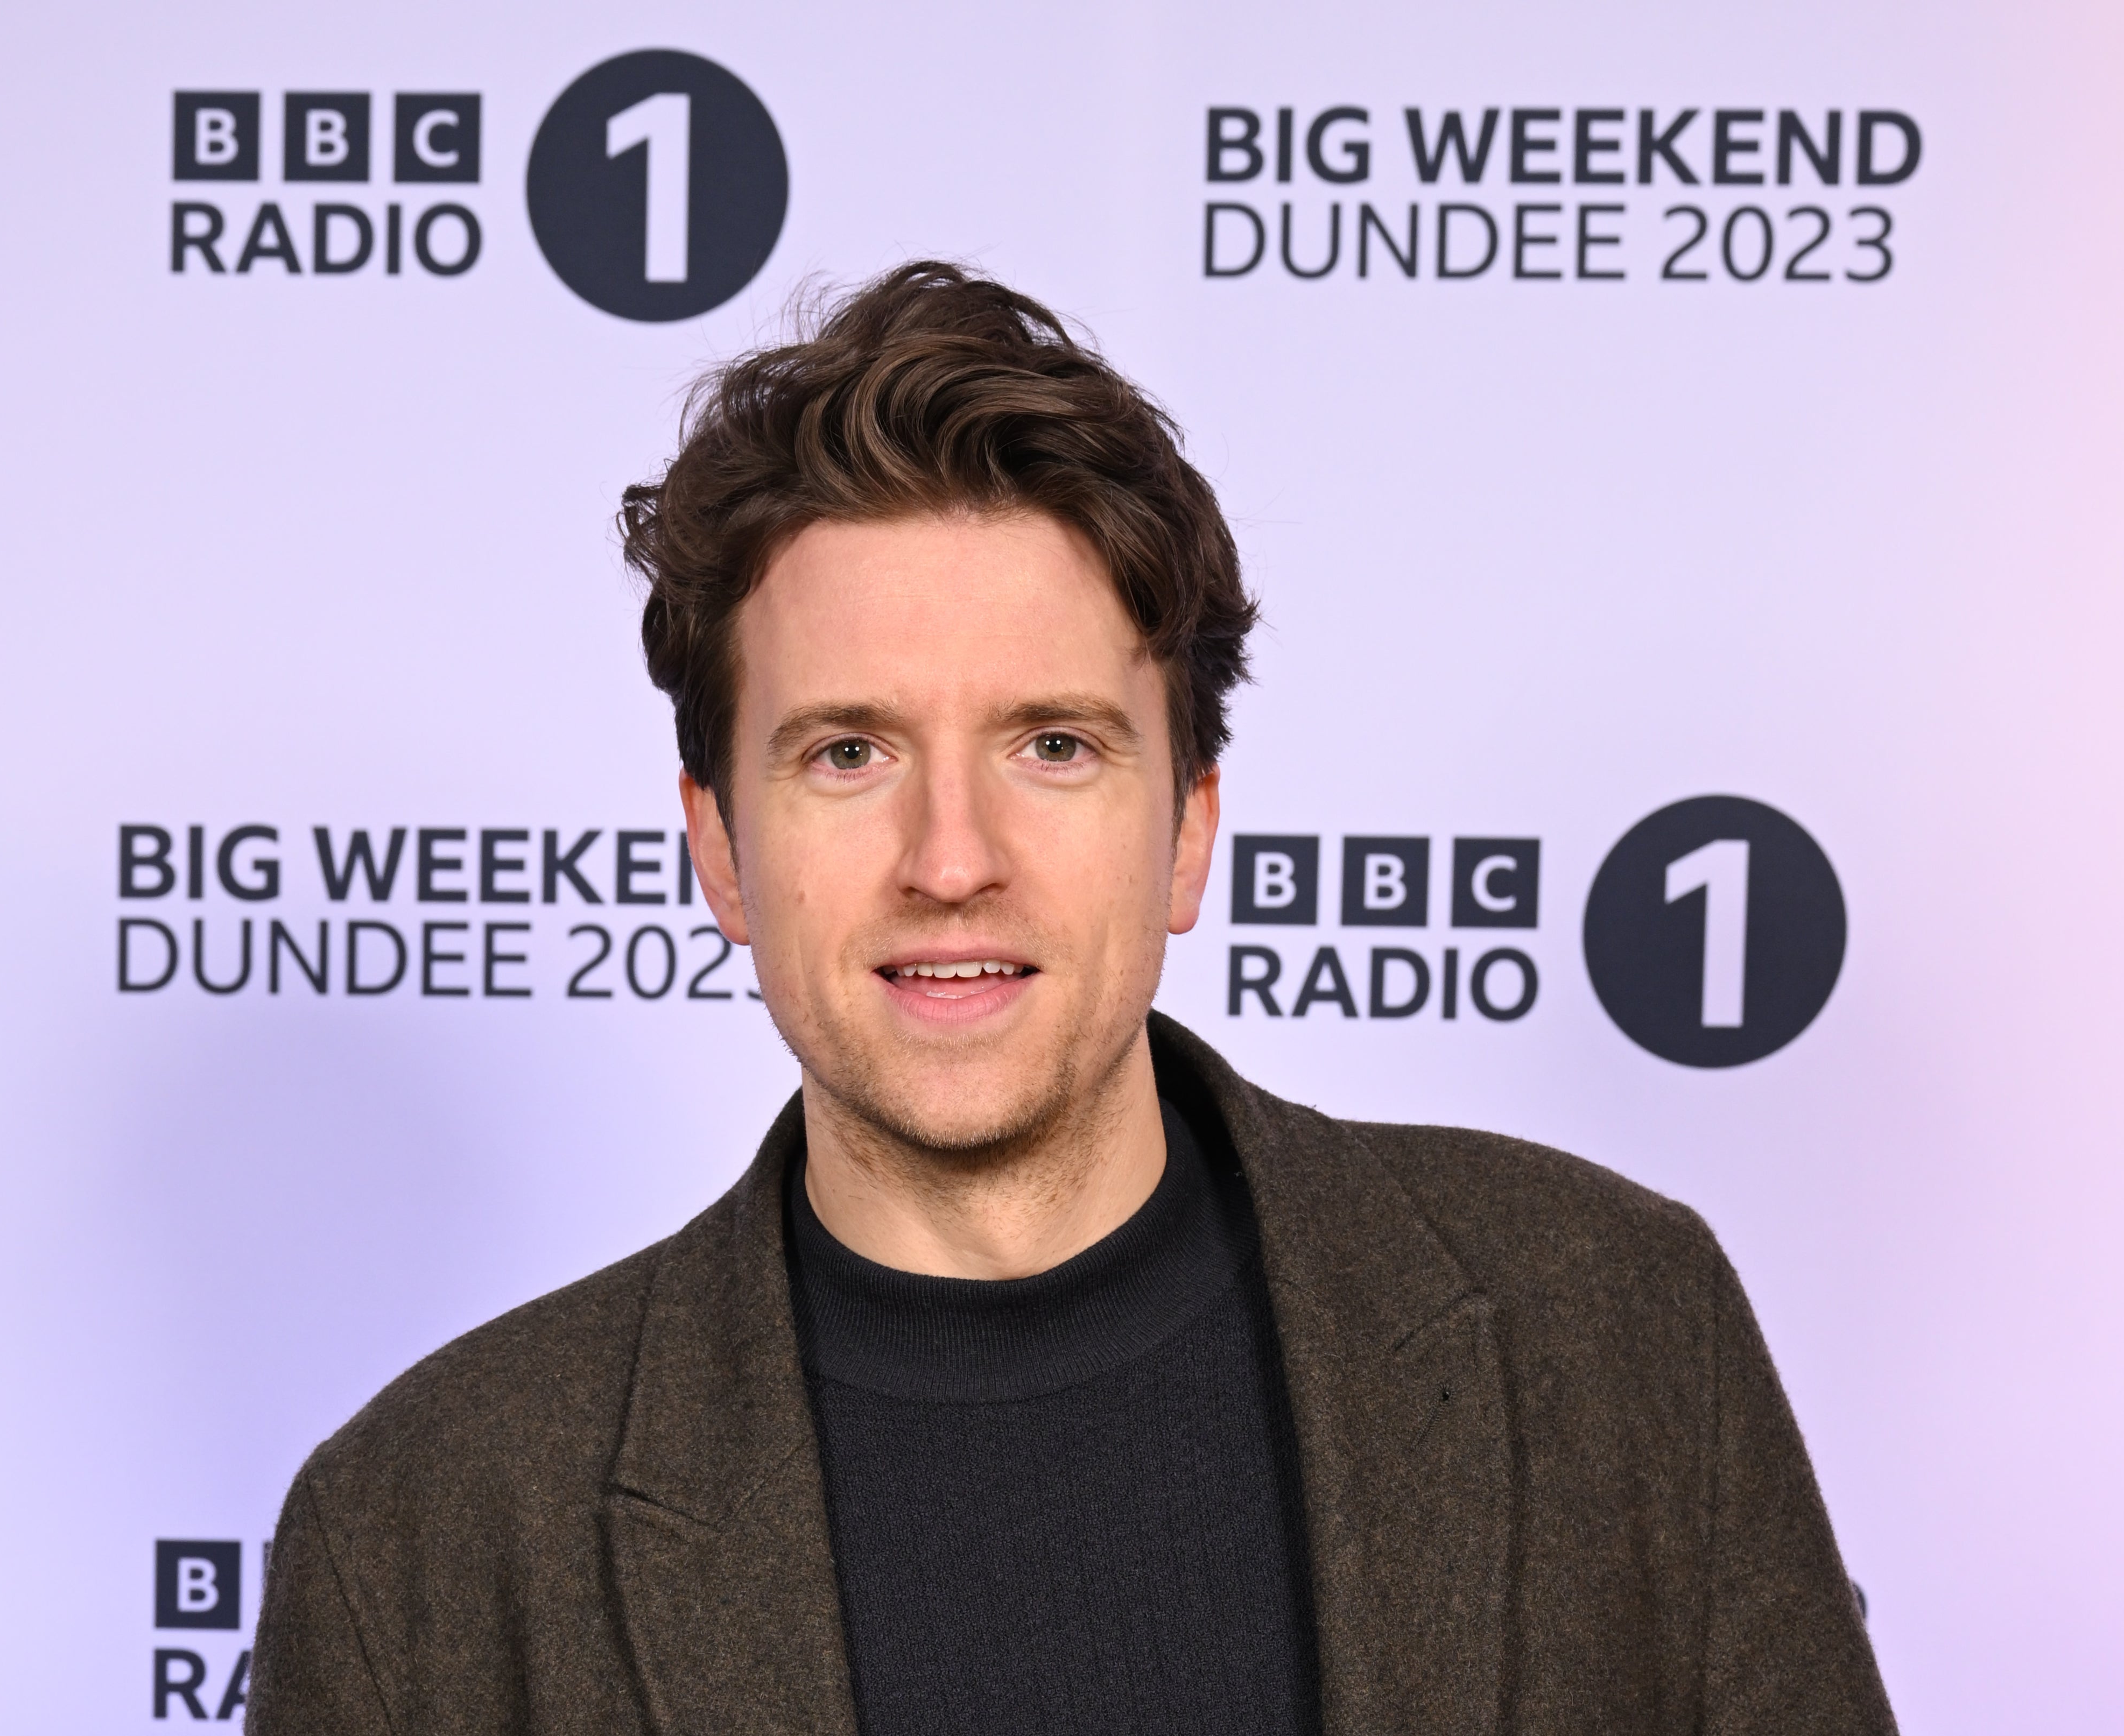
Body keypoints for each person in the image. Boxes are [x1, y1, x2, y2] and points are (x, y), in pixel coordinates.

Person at [247, 262, 1895, 1735]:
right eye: (848, 751)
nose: (951, 857)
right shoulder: (428, 1539)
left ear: (1187, 828)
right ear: (722, 856)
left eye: (1052, 743)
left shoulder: (1613, 1327)